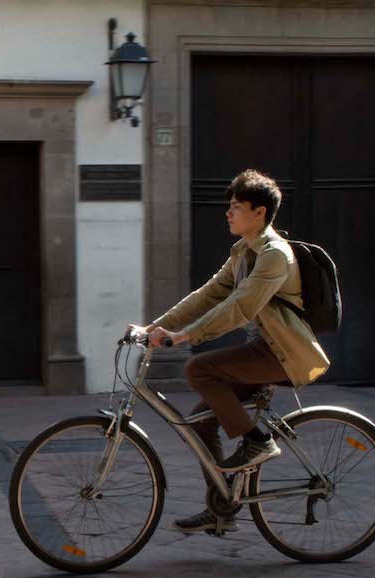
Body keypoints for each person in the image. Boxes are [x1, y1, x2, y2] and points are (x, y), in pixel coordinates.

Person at [127, 169, 330, 534]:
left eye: (236, 207)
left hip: (282, 354)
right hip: (263, 349)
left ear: (259, 213)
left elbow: (241, 306)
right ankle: (223, 507)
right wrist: (155, 327)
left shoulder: (274, 255)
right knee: (201, 422)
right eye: (230, 206)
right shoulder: (242, 252)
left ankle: (258, 441)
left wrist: (186, 336)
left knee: (199, 370)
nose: (228, 213)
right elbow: (208, 295)